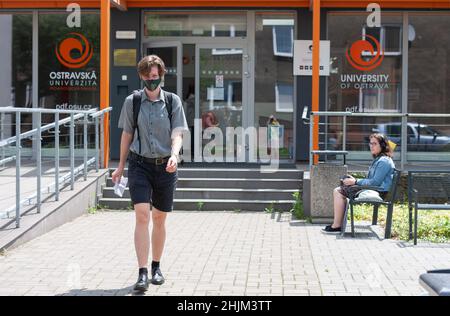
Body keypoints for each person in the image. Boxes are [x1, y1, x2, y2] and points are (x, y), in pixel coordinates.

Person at [112, 55, 189, 292]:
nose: (151, 81)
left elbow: (177, 132)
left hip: (166, 165)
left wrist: (175, 155)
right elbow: (126, 135)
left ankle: (157, 266)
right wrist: (120, 165)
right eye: (146, 77)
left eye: (154, 77)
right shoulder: (132, 101)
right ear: (141, 76)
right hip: (139, 165)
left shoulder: (172, 101)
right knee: (142, 216)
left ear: (161, 76)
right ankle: (142, 272)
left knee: (159, 218)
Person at [322, 133, 395, 234]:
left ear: (382, 146)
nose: (371, 146)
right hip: (373, 189)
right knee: (343, 186)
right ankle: (338, 224)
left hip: (378, 191)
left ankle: (337, 226)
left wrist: (355, 182)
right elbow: (371, 180)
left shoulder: (384, 161)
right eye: (370, 143)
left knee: (338, 191)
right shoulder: (379, 159)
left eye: (374, 144)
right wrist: (355, 180)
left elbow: (375, 182)